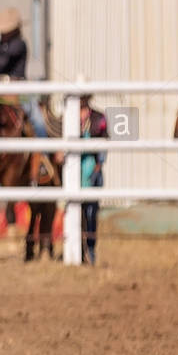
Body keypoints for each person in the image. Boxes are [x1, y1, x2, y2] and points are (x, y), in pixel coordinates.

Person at [0, 6, 46, 136]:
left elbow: (6, 53)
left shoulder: (20, 44)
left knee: (37, 120)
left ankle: (44, 150)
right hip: (0, 86)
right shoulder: (1, 45)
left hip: (18, 87)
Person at [79, 94, 108, 265]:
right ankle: (81, 251)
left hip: (92, 175)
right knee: (77, 214)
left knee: (90, 215)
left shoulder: (98, 119)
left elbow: (104, 146)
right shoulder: (69, 121)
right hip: (76, 176)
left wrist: (97, 168)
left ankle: (90, 250)